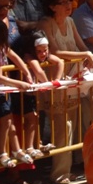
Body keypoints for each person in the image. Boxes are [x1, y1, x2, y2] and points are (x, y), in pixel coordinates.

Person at [38, 0, 93, 184]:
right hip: (56, 79)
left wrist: (90, 56)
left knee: (72, 122)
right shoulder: (46, 23)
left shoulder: (71, 22)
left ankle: (67, 168)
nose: (68, 5)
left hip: (73, 77)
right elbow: (54, 51)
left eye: (68, 1)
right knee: (61, 126)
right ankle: (59, 172)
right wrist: (84, 55)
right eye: (63, 2)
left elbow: (81, 46)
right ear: (52, 6)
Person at [0, 19, 36, 172]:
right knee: (5, 123)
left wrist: (27, 73)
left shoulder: (3, 48)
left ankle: (16, 150)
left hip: (6, 91)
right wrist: (19, 83)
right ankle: (1, 153)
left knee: (9, 122)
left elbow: (16, 58)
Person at [22, 30, 64, 159]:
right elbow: (38, 71)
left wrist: (56, 81)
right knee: (32, 119)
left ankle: (38, 143)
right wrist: (47, 84)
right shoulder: (29, 56)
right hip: (25, 93)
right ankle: (30, 147)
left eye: (45, 50)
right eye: (39, 51)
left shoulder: (47, 54)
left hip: (35, 93)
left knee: (38, 117)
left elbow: (60, 62)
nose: (43, 54)